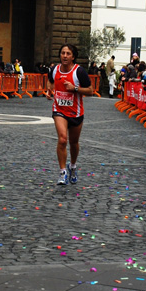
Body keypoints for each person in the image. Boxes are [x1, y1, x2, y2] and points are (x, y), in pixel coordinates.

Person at [46, 43, 93, 185]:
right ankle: (62, 172)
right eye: (63, 53)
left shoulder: (79, 72)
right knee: (62, 139)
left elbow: (90, 91)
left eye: (68, 54)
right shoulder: (54, 69)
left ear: (73, 57)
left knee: (73, 143)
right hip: (59, 110)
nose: (65, 56)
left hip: (76, 112)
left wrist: (75, 88)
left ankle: (72, 166)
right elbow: (50, 80)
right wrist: (49, 90)